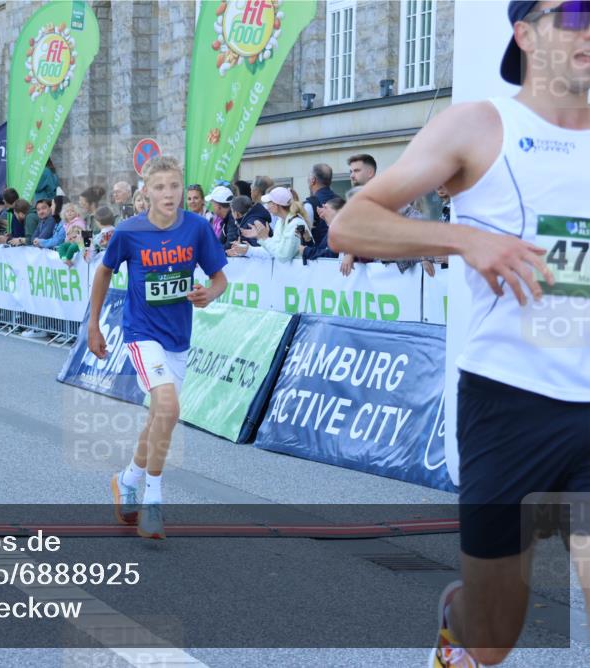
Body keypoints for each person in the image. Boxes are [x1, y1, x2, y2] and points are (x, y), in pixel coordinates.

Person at [329, 3, 590, 665]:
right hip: (512, 401)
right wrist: (466, 238)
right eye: (576, 11)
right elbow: (352, 226)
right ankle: (457, 622)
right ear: (525, 33)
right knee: (494, 635)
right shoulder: (481, 126)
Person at [87, 156, 228, 540]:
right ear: (145, 191)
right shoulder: (129, 231)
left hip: (178, 338)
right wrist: (93, 324)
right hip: (141, 332)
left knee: (159, 418)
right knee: (168, 408)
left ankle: (127, 479)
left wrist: (208, 295)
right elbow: (104, 271)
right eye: (160, 187)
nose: (169, 194)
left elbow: (220, 279)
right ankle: (153, 500)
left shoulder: (198, 228)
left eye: (174, 186)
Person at [238, 186, 308, 261]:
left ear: (276, 205)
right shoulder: (280, 222)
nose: (267, 207)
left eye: (268, 203)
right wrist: (249, 250)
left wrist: (264, 238)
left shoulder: (296, 223)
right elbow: (274, 251)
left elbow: (283, 256)